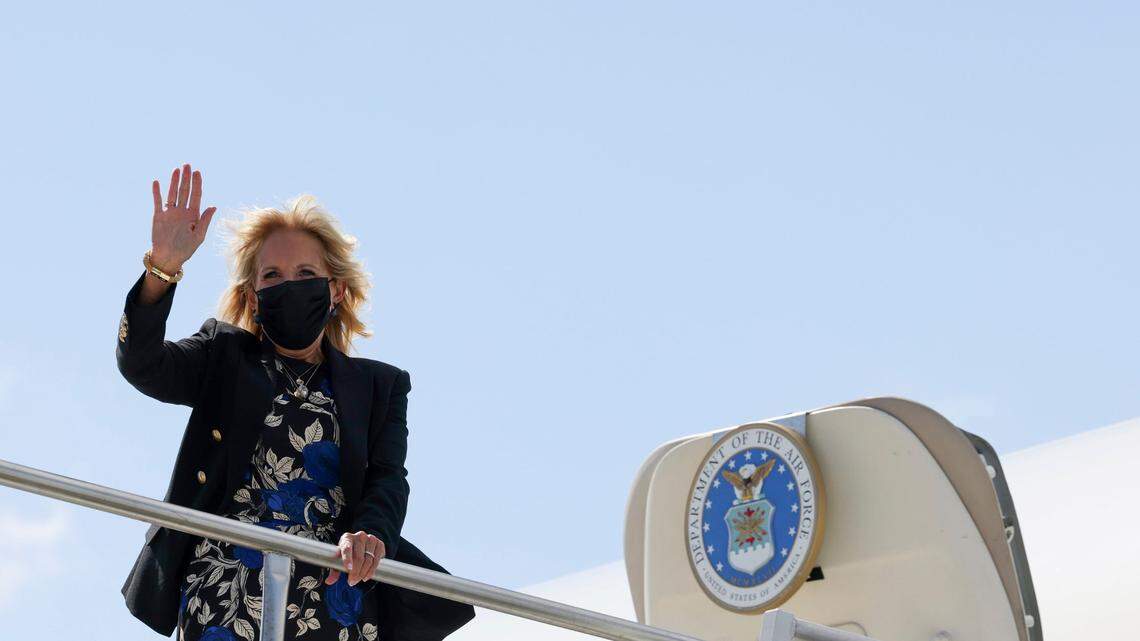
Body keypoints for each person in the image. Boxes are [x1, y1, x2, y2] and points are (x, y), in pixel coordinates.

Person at [117, 163, 474, 640]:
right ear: (253, 296)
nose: (290, 284)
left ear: (336, 290)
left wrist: (371, 536)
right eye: (273, 275)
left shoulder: (379, 387)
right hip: (224, 592)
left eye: (306, 273)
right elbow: (143, 363)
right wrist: (163, 267)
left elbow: (388, 481)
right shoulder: (221, 356)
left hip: (334, 598)